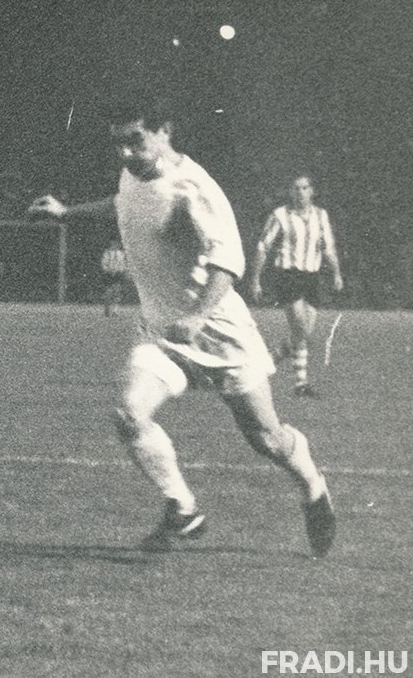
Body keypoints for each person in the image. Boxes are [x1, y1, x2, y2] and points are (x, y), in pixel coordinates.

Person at [27, 95, 335, 557]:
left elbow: (227, 261)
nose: (126, 152)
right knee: (130, 414)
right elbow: (124, 203)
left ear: (165, 131)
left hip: (220, 333)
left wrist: (198, 316)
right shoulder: (134, 173)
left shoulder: (194, 188)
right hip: (161, 333)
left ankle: (313, 484)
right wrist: (67, 213)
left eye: (135, 140)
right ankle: (183, 507)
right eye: (118, 143)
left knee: (267, 439)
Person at [249, 175, 344, 397]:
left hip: (312, 277)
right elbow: (263, 246)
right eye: (296, 188)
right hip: (288, 276)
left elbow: (328, 247)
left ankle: (268, 362)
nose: (300, 192)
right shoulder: (280, 215)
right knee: (300, 329)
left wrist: (337, 273)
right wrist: (255, 279)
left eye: (304, 188)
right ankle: (300, 384)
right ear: (290, 192)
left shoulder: (321, 215)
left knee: (304, 333)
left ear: (312, 191)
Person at [100, 237, 128, 317]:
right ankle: (107, 309)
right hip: (109, 274)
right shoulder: (107, 253)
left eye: (116, 243)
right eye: (113, 243)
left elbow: (123, 264)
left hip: (118, 274)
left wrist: (120, 271)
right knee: (108, 293)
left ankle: (115, 311)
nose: (114, 245)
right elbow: (104, 263)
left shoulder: (121, 254)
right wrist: (108, 270)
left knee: (117, 293)